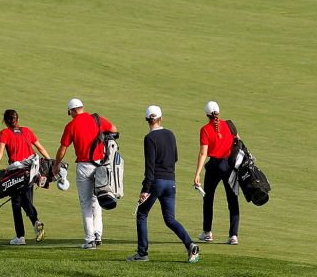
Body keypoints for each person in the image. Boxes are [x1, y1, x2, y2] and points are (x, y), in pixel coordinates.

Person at [129, 105, 199, 263]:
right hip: (171, 182)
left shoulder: (149, 138)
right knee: (170, 219)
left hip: (156, 182)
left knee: (142, 214)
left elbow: (150, 166)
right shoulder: (170, 134)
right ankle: (190, 245)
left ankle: (142, 253)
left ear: (147, 120)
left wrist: (145, 189)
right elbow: (175, 158)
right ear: (161, 118)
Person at [53, 98, 116, 249]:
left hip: (84, 166)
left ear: (72, 111)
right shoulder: (96, 119)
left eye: (69, 112)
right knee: (97, 200)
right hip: (101, 165)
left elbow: (63, 148)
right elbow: (113, 129)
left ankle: (89, 240)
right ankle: (98, 235)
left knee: (86, 203)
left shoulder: (71, 125)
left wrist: (56, 165)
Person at [0, 109, 50, 245]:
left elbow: (0, 152)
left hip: (16, 173)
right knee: (26, 200)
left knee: (17, 204)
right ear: (17, 120)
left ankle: (21, 236)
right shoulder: (27, 131)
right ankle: (35, 224)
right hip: (31, 172)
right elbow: (40, 148)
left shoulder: (4, 133)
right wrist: (50, 162)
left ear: (5, 121)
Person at [193, 101, 240, 245]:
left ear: (207, 115)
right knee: (232, 200)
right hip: (230, 166)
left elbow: (203, 153)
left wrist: (197, 174)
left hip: (214, 166)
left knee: (208, 199)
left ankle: (207, 233)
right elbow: (238, 142)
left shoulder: (205, 129)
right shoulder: (230, 124)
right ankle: (233, 235)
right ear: (218, 112)